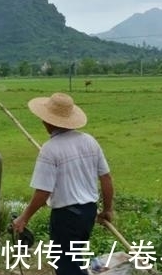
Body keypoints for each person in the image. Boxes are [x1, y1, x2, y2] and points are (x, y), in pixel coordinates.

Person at [12, 92, 114, 275]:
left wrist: (24, 218)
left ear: (48, 121)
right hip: (88, 213)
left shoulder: (50, 150)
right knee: (73, 260)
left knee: (66, 267)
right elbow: (106, 178)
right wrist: (107, 210)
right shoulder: (89, 141)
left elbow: (42, 193)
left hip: (67, 217)